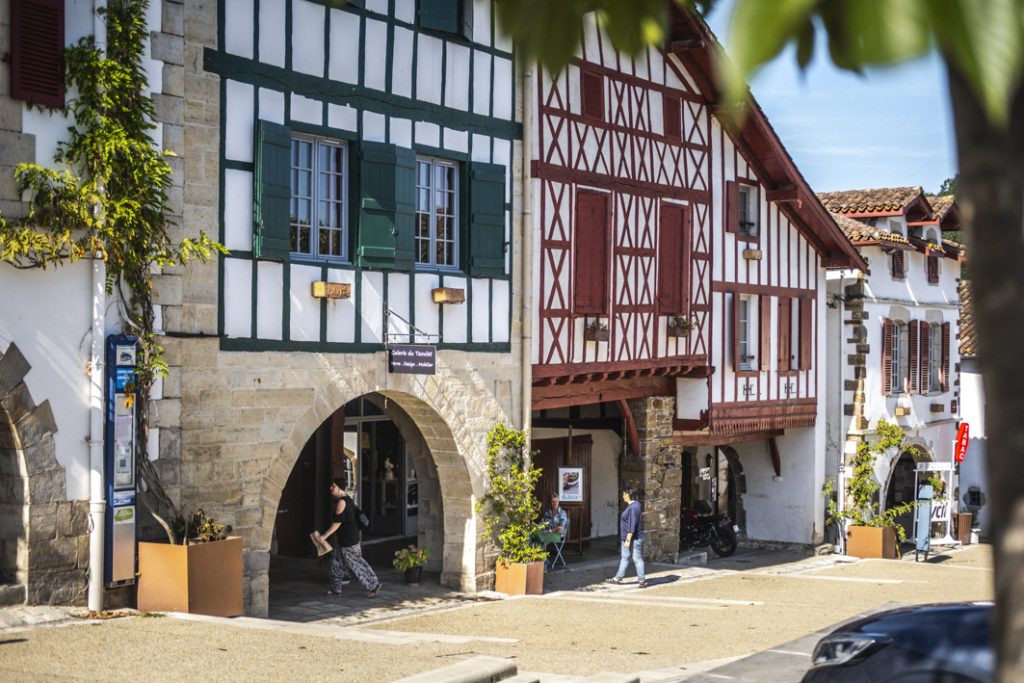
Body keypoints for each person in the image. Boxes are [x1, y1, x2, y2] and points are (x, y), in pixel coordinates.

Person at [314, 478, 381, 598]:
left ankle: (374, 585)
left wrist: (324, 536)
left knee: (357, 563)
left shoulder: (342, 503)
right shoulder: (347, 500)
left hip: (348, 540)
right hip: (344, 540)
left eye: (333, 486)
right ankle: (336, 588)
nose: (331, 488)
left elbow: (337, 523)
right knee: (336, 563)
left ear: (339, 488)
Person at [607, 488, 646, 588]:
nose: (623, 496)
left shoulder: (633, 507)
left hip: (632, 537)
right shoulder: (635, 505)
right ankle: (620, 578)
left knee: (635, 557)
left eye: (624, 494)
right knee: (627, 557)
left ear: (628, 495)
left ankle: (640, 580)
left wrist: (628, 539)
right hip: (633, 537)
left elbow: (633, 523)